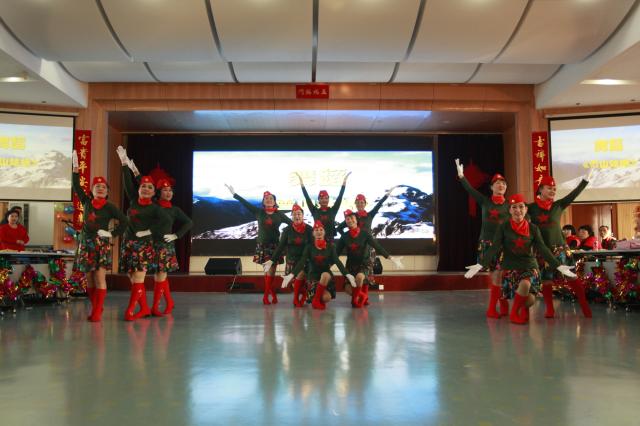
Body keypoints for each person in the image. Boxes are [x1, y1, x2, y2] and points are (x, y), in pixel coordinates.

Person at [464, 194, 576, 324]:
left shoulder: (533, 228)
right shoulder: (504, 227)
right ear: (510, 210)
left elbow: (543, 249)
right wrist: (480, 264)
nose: (518, 210)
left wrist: (559, 265)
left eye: (521, 207)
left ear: (526, 209)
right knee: (526, 297)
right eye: (514, 207)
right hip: (510, 268)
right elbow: (494, 247)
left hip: (529, 267)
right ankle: (521, 309)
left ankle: (514, 313)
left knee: (527, 288)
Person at [72, 150, 128, 322]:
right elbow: (76, 186)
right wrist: (75, 169)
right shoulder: (86, 201)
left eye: (104, 186)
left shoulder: (110, 207)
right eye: (97, 186)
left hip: (101, 244)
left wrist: (111, 233)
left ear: (107, 191)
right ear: (92, 190)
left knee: (99, 277)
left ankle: (97, 312)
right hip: (85, 243)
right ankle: (97, 306)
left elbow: (125, 221)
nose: (101, 188)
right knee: (89, 279)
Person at [527, 172, 592, 318]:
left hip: (561, 249)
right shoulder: (531, 208)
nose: (553, 191)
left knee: (571, 276)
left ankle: (584, 305)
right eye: (549, 188)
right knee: (547, 280)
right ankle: (550, 309)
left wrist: (585, 181)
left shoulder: (558, 205)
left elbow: (573, 194)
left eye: (554, 189)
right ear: (541, 189)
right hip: (543, 250)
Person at [117, 146, 171, 321]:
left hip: (144, 246)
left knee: (139, 278)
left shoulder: (155, 208)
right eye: (143, 186)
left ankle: (131, 311)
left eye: (150, 187)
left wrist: (149, 231)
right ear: (139, 189)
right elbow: (127, 182)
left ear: (154, 192)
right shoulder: (133, 200)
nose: (146, 189)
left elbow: (166, 222)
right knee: (132, 277)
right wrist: (124, 164)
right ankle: (145, 308)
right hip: (128, 243)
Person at [456, 159, 511, 318]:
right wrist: (462, 176)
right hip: (487, 244)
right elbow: (470, 189)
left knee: (501, 275)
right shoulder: (485, 201)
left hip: (504, 245)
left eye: (504, 184)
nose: (501, 186)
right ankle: (494, 307)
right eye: (497, 183)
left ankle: (501, 303)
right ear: (491, 187)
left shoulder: (510, 206)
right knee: (495, 276)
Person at [225, 184, 293, 304]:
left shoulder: (279, 214)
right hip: (262, 246)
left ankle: (266, 296)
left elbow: (292, 224)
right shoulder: (259, 212)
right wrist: (234, 194)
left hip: (275, 247)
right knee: (267, 273)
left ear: (275, 202)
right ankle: (270, 295)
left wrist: (285, 235)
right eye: (266, 198)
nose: (269, 200)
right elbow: (246, 204)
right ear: (263, 202)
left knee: (271, 272)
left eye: (271, 198)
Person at [336, 209, 403, 307]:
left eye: (352, 218)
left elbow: (377, 246)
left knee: (359, 278)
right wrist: (327, 264)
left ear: (356, 220)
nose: (350, 220)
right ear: (345, 222)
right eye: (347, 219)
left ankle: (355, 301)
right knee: (347, 289)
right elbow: (336, 254)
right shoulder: (344, 236)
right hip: (350, 265)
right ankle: (363, 296)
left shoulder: (365, 234)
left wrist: (390, 258)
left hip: (364, 264)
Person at [281, 221, 354, 310]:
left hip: (325, 278)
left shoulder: (331, 246)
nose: (319, 232)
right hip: (313, 277)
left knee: (327, 296)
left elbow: (337, 262)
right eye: (316, 230)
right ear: (313, 233)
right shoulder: (309, 247)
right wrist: (291, 275)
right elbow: (302, 262)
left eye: (321, 230)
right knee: (304, 274)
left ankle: (314, 298)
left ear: (324, 232)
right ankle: (308, 298)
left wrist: (347, 274)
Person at [335, 187, 398, 286]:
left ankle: (364, 292)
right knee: (356, 271)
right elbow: (339, 228)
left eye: (362, 202)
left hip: (369, 246)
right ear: (355, 204)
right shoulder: (352, 217)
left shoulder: (369, 215)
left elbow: (378, 205)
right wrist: (347, 238)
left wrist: (386, 195)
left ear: (365, 203)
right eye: (358, 202)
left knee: (367, 272)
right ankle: (358, 291)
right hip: (357, 246)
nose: (360, 204)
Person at [149, 178, 193, 316]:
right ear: (158, 192)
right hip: (151, 244)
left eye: (170, 190)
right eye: (165, 190)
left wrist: (176, 235)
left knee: (160, 276)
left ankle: (155, 307)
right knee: (160, 276)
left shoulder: (174, 210)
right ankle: (169, 302)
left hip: (165, 246)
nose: (168, 193)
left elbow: (189, 222)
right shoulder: (152, 207)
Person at [263, 204, 313, 307]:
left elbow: (313, 247)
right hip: (291, 261)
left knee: (301, 276)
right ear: (292, 216)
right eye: (294, 214)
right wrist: (272, 260)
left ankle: (297, 299)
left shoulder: (309, 229)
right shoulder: (287, 230)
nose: (297, 216)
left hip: (305, 261)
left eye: (299, 214)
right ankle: (304, 294)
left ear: (302, 216)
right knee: (292, 285)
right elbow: (280, 247)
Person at [295, 171, 351, 242]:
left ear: (328, 199)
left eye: (326, 198)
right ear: (318, 200)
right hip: (317, 240)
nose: (324, 200)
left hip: (330, 242)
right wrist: (302, 184)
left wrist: (344, 183)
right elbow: (307, 197)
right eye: (321, 198)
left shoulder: (333, 210)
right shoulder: (314, 211)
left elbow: (340, 196)